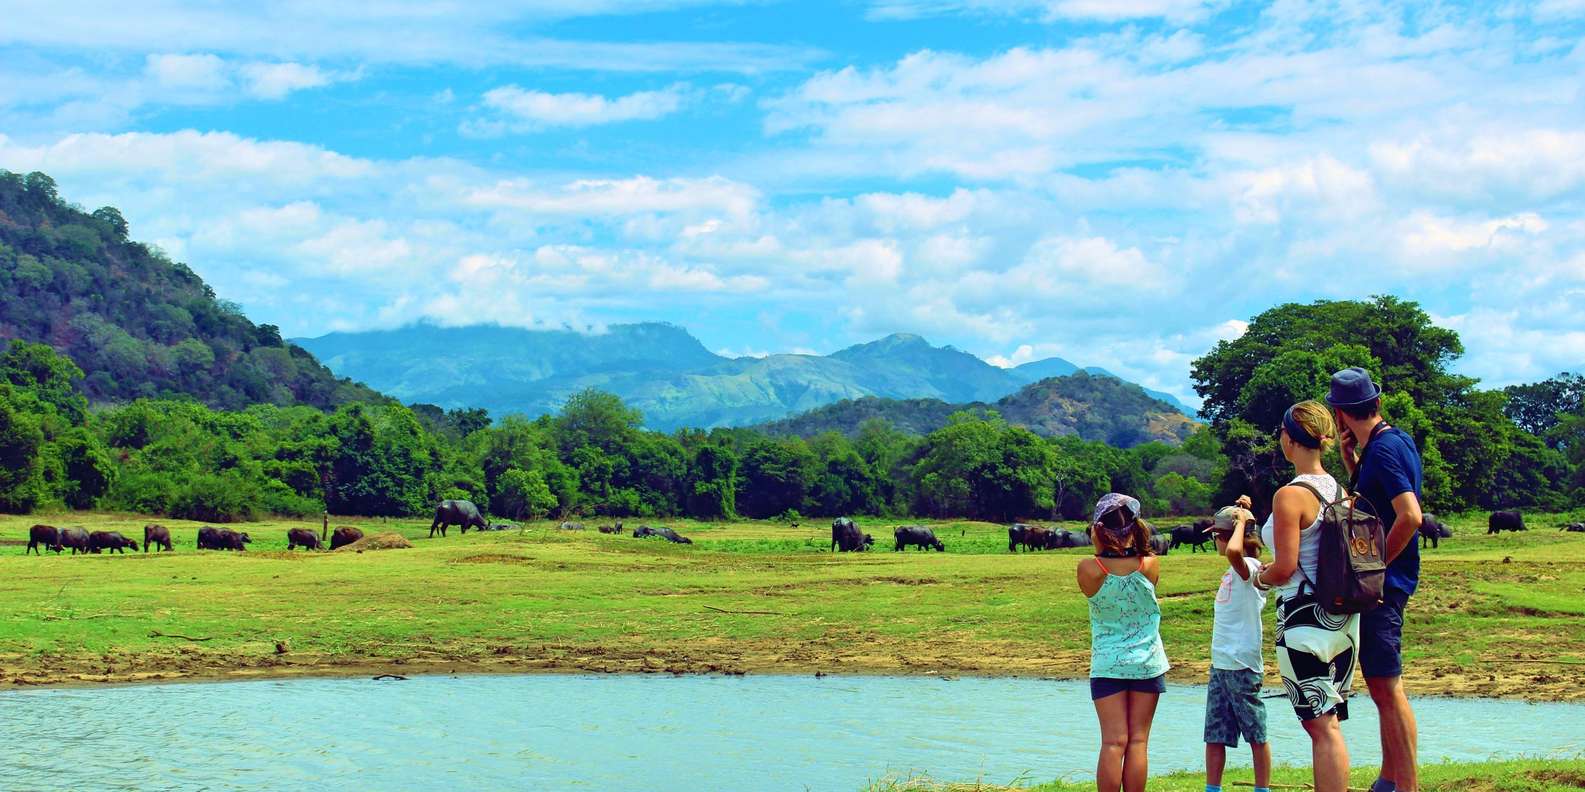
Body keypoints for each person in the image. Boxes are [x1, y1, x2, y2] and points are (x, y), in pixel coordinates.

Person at [1251, 400, 1357, 792]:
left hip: (1303, 619)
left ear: (1288, 439)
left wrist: (1260, 578)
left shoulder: (1289, 496)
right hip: (1344, 621)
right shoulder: (1338, 489)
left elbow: (1284, 567)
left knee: (1320, 727)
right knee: (1329, 723)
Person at [1327, 367, 1424, 792]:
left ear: (1338, 413)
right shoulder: (1392, 442)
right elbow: (1379, 505)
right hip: (1388, 584)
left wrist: (1377, 566)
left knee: (1387, 689)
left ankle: (1407, 786)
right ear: (1377, 404)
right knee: (1387, 689)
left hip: (1383, 588)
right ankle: (1390, 778)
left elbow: (1410, 515)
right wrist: (1352, 463)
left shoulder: (1383, 451)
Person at [1077, 493, 1168, 792]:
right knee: (1139, 740)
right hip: (1147, 662)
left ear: (1098, 529)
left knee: (1113, 742)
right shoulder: (1150, 565)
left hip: (1107, 664)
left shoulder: (1089, 569)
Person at [1204, 503, 1272, 792]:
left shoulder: (1251, 569)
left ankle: (1261, 788)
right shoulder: (1234, 572)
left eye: (1217, 535)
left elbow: (1234, 551)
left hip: (1242, 666)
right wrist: (1242, 509)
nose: (1215, 542)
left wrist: (1242, 522)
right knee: (1214, 734)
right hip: (1221, 663)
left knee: (1256, 733)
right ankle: (1212, 788)